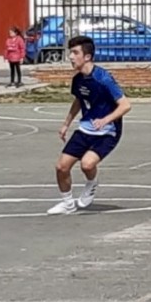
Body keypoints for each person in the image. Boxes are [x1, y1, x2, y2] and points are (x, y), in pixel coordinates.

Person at [46, 36, 132, 215]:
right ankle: (68, 204)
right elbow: (79, 100)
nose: (70, 57)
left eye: (75, 53)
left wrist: (105, 120)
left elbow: (125, 105)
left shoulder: (103, 79)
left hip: (108, 132)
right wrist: (66, 124)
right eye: (70, 52)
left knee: (87, 164)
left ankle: (92, 184)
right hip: (86, 128)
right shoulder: (78, 79)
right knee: (61, 167)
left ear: (87, 57)